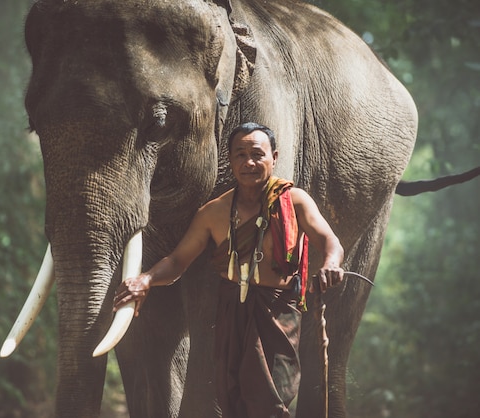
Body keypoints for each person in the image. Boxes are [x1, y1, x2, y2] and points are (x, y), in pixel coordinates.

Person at [114, 122, 344, 418]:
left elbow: (330, 241)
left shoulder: (294, 201)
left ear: (274, 157)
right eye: (240, 154)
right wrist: (145, 279)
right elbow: (177, 262)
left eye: (257, 154)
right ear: (231, 160)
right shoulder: (214, 212)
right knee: (232, 398)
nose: (249, 162)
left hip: (276, 311)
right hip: (231, 309)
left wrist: (331, 264)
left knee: (271, 401)